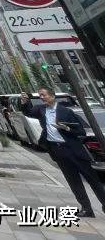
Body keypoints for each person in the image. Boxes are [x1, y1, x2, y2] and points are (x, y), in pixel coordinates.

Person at [21, 88, 105, 217]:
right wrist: (25, 102)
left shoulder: (66, 112)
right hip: (58, 151)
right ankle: (86, 208)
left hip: (74, 150)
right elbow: (28, 112)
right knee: (73, 181)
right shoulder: (41, 110)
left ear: (52, 96)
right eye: (40, 95)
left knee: (92, 179)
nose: (42, 97)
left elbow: (81, 131)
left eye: (44, 95)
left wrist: (66, 128)